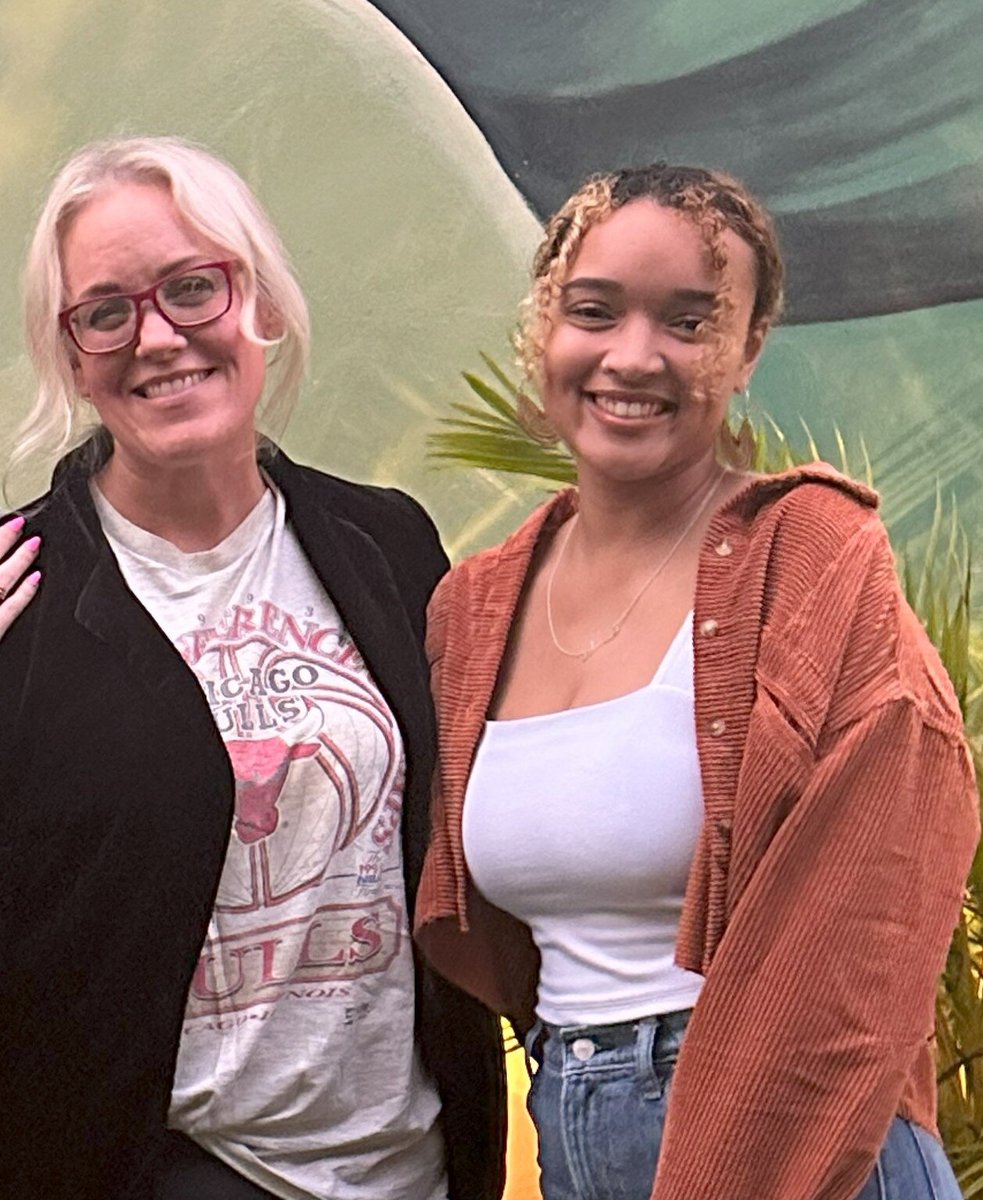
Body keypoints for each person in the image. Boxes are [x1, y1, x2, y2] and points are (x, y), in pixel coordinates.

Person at [414, 164, 979, 1200]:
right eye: (593, 311)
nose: (632, 356)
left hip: (800, 1153)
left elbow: (862, 920)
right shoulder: (471, 605)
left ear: (747, 346)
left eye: (688, 320)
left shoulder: (814, 556)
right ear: (544, 325)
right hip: (576, 1118)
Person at [0, 136, 504, 1200]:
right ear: (71, 353)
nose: (157, 337)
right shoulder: (24, 597)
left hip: (415, 1168)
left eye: (192, 288)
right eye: (106, 311)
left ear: (259, 301)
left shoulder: (386, 546)